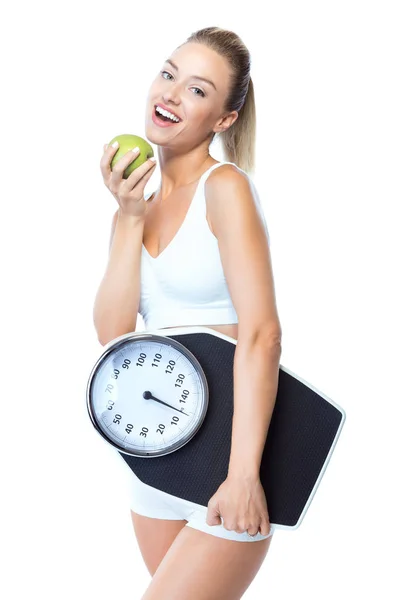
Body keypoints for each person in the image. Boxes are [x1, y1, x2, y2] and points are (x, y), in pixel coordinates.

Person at [94, 26, 282, 600]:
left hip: (229, 456)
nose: (172, 94)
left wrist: (244, 474)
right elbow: (112, 335)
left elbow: (262, 334)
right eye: (169, 74)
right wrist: (127, 218)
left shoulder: (224, 188)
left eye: (198, 91)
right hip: (155, 453)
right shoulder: (136, 206)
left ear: (223, 120)